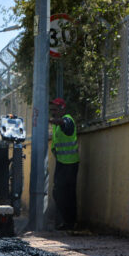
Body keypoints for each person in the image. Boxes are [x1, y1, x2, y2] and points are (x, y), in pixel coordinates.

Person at [50, 97, 80, 230]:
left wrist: (50, 120)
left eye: (55, 109)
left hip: (70, 163)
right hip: (62, 162)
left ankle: (69, 222)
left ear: (62, 109)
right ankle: (67, 222)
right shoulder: (57, 124)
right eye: (52, 109)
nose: (53, 111)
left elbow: (64, 124)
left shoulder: (67, 119)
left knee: (65, 193)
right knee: (60, 192)